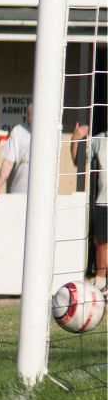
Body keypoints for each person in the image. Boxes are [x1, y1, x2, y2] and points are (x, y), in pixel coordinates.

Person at [71, 122, 107, 291]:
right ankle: (101, 284)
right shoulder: (99, 140)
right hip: (104, 200)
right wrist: (75, 138)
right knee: (101, 241)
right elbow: (78, 161)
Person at [0, 103, 33, 200]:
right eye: (31, 115)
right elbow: (8, 162)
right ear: (27, 116)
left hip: (43, 197)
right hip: (19, 194)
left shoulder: (52, 132)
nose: (34, 118)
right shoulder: (18, 131)